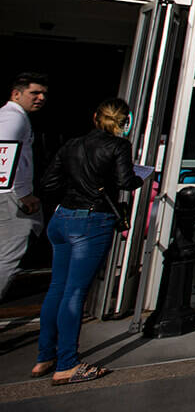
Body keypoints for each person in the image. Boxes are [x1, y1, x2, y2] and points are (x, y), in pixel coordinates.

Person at [32, 98, 142, 385]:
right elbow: (126, 182)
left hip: (61, 218)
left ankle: (45, 357)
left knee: (57, 287)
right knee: (75, 293)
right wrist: (140, 177)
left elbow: (47, 184)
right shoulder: (118, 146)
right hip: (91, 221)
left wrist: (77, 185)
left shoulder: (71, 145)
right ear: (123, 122)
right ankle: (67, 364)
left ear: (95, 117)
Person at [0, 72, 48, 300]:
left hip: (8, 193)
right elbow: (5, 154)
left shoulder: (9, 115)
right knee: (9, 255)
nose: (40, 98)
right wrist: (23, 194)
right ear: (16, 94)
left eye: (43, 94)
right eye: (34, 93)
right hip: (9, 195)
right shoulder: (14, 118)